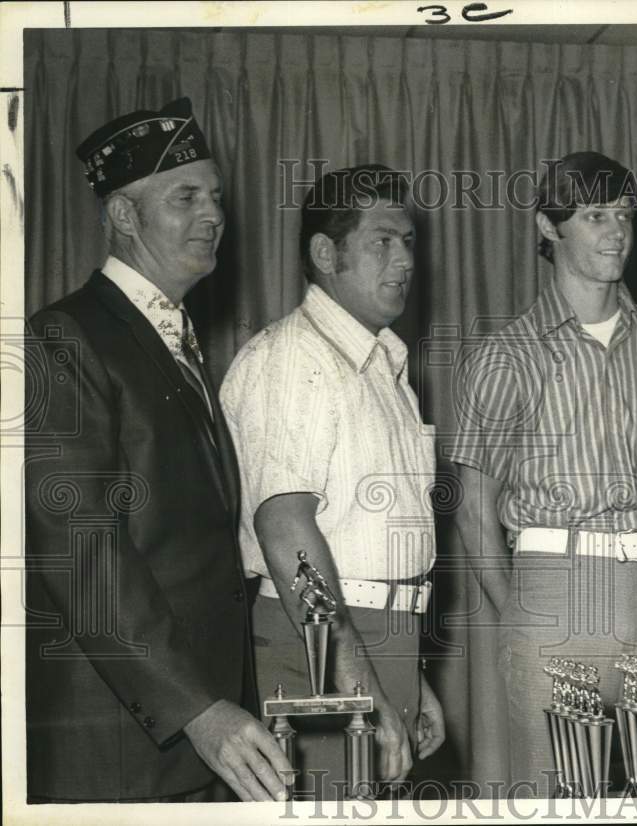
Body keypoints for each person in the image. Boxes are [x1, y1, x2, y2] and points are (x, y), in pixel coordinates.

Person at [24, 98, 291, 803]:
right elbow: (78, 546)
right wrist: (197, 710)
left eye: (217, 198)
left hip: (196, 738)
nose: (213, 216)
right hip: (123, 745)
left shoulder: (176, 339)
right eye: (186, 197)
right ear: (123, 216)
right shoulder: (65, 337)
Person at [448, 151, 637, 797]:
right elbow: (473, 506)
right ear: (548, 226)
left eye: (624, 215)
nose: (616, 231)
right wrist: (517, 617)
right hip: (555, 586)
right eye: (595, 216)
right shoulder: (504, 355)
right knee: (556, 790)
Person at [220, 165, 445, 799]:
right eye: (381, 242)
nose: (404, 259)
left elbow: (368, 540)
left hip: (376, 640)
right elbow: (286, 530)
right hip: (315, 646)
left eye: (408, 241)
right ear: (325, 253)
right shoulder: (293, 359)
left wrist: (410, 674)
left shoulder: (380, 363)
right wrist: (359, 682)